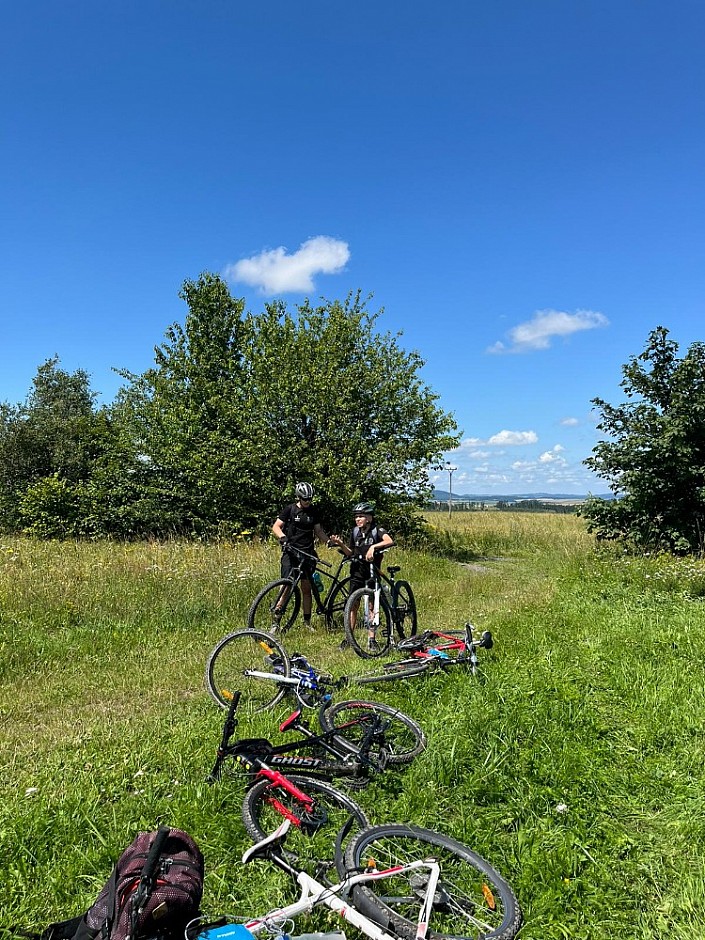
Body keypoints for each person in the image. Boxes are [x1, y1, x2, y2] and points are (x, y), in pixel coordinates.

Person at [329, 501, 394, 650]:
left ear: (369, 518)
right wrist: (341, 544)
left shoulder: (377, 530)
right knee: (353, 604)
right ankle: (349, 638)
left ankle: (372, 639)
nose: (358, 519)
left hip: (372, 570)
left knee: (372, 605)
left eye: (361, 516)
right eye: (356, 517)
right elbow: (351, 553)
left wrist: (373, 547)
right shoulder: (355, 532)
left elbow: (389, 541)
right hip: (357, 570)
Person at [271, 482, 331, 631]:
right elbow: (276, 526)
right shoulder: (289, 510)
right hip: (291, 553)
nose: (308, 501)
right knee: (286, 586)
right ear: (299, 497)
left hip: (307, 554)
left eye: (310, 498)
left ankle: (307, 622)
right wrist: (283, 538)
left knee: (306, 588)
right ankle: (276, 622)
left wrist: (329, 541)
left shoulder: (313, 512)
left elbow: (318, 531)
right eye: (305, 499)